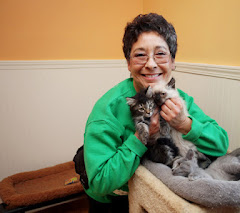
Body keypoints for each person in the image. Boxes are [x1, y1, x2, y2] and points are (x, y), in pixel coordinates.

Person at [83, 13, 229, 212]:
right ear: (128, 63)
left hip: (158, 187)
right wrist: (140, 137)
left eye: (160, 54)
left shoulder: (178, 98)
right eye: (140, 55)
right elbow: (99, 183)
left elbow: (221, 144)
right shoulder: (107, 111)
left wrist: (185, 124)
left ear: (173, 62)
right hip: (114, 198)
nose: (151, 64)